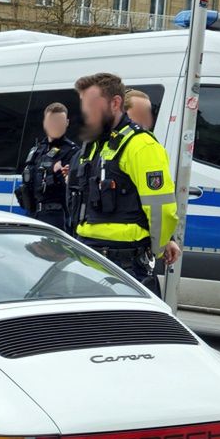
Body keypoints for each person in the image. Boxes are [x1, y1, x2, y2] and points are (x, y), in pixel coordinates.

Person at [71, 72, 180, 295]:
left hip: (122, 264)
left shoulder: (141, 145)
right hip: (91, 257)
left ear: (115, 103)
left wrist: (159, 246)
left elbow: (161, 208)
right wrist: (160, 245)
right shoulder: (93, 145)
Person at [16, 103, 80, 230]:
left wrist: (58, 174)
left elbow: (73, 188)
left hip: (56, 217)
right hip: (32, 214)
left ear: (67, 123)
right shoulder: (37, 149)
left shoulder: (72, 152)